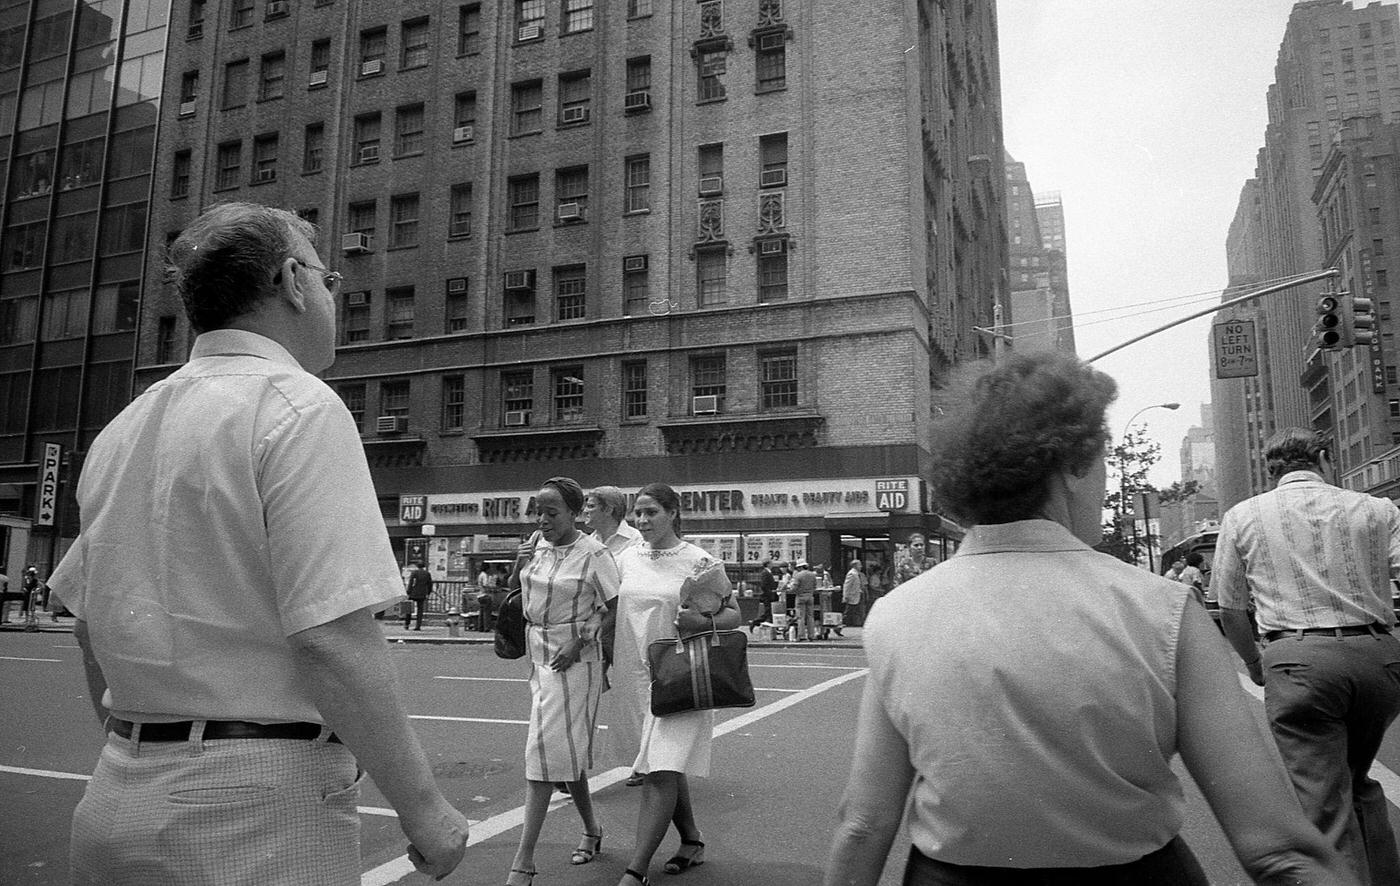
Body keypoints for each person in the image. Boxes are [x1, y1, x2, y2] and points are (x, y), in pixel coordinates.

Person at [47, 202, 468, 884]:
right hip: (255, 814)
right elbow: (331, 636)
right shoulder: (298, 405)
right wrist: (426, 811)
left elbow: (88, 629)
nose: (335, 295)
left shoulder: (124, 427)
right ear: (293, 280)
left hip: (116, 796)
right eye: (330, 279)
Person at [824, 351, 1359, 886]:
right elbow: (1280, 853)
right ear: (1074, 466)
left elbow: (863, 825)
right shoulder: (1163, 610)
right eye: (1101, 458)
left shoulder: (895, 616)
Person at [1213, 427, 1400, 885]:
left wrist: (1256, 665)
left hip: (1299, 664)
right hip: (1379, 659)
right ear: (1322, 457)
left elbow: (1229, 607)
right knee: (1359, 782)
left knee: (1321, 801)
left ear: (1274, 469)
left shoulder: (1243, 517)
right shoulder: (1377, 509)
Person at [611, 483, 741, 886]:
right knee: (662, 764)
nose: (641, 520)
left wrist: (704, 622)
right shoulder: (625, 558)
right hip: (638, 677)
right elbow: (608, 610)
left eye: (651, 512)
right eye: (638, 513)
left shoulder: (698, 561)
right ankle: (691, 841)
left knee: (660, 773)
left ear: (673, 513)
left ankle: (636, 870)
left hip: (683, 678)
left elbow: (734, 614)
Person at [504, 476, 620, 886]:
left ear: (574, 513)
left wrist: (581, 640)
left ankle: (524, 859)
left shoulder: (594, 553)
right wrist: (518, 565)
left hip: (574, 660)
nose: (543, 519)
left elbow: (613, 607)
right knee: (564, 751)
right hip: (538, 655)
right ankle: (592, 829)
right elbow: (520, 596)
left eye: (552, 512)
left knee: (542, 752)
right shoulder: (535, 543)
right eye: (539, 511)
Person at [583, 484, 646, 785]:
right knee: (584, 695)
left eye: (591, 505)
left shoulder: (636, 542)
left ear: (608, 509)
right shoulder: (584, 543)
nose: (585, 511)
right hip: (593, 631)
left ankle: (643, 763)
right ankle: (574, 763)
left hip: (626, 631)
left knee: (633, 699)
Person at [791, 561, 818, 641]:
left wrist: (791, 589)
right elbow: (815, 586)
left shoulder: (798, 575)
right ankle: (811, 635)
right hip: (810, 597)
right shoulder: (812, 575)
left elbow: (794, 587)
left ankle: (801, 635)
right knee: (810, 616)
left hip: (800, 597)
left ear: (800, 567)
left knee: (800, 617)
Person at [750, 560, 779, 633]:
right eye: (771, 563)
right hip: (767, 595)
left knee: (768, 612)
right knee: (768, 612)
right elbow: (764, 585)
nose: (772, 564)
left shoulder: (768, 572)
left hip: (769, 594)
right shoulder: (765, 573)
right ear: (768, 564)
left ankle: (770, 628)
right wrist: (769, 592)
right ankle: (755, 622)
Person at [404, 560, 433, 631]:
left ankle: (407, 624)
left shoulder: (414, 573)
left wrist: (408, 592)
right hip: (422, 594)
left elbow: (411, 583)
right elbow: (430, 584)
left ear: (417, 566)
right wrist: (428, 593)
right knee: (420, 610)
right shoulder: (427, 574)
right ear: (424, 566)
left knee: (409, 609)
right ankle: (418, 626)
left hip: (413, 593)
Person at [841, 560, 865, 633]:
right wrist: (845, 596)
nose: (861, 566)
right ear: (855, 566)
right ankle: (839, 626)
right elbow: (847, 586)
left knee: (860, 611)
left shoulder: (856, 574)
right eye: (859, 565)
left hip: (857, 595)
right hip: (852, 597)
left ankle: (865, 625)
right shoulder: (852, 574)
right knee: (848, 613)